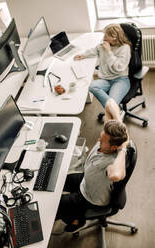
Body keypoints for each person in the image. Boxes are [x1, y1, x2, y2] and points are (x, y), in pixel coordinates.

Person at [55, 98, 129, 232]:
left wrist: (123, 148)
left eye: (103, 140)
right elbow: (110, 103)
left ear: (113, 147)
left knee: (56, 206)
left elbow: (116, 175)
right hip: (86, 180)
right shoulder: (109, 137)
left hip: (90, 197)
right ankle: (73, 210)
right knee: (56, 182)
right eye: (101, 135)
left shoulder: (112, 162)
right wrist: (121, 126)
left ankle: (77, 220)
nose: (98, 139)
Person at [74, 23, 132, 113]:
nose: (103, 37)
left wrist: (109, 51)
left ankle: (113, 113)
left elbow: (119, 68)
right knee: (92, 87)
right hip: (106, 79)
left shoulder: (125, 48)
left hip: (120, 80)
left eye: (106, 35)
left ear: (114, 37)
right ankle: (116, 111)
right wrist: (83, 55)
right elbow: (95, 50)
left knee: (112, 103)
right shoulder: (104, 44)